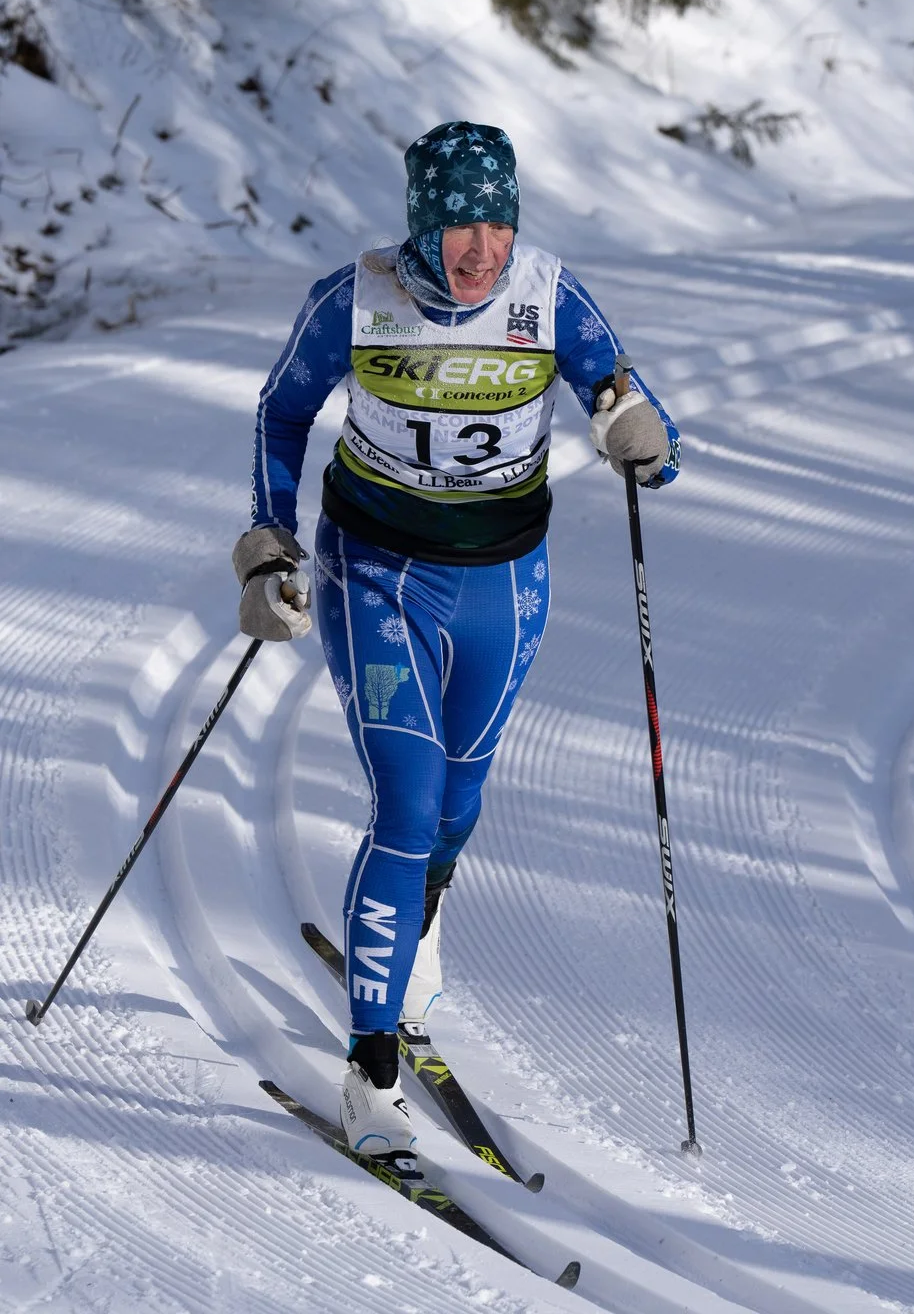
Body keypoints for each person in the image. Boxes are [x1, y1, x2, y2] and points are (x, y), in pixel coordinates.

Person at [232, 121, 679, 1160]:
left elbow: (633, 412)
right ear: (420, 224)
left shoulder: (549, 294)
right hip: (376, 571)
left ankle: (410, 928)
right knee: (408, 800)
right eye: (458, 223)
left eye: (498, 220)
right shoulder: (357, 297)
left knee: (461, 801)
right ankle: (371, 1066)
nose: (481, 246)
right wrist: (269, 543)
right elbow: (281, 409)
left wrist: (641, 439)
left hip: (506, 579)